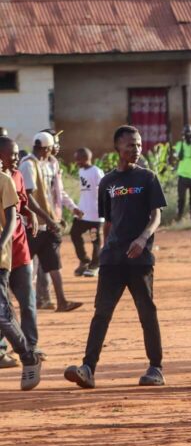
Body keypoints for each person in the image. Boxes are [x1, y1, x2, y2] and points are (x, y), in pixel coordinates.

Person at [64, 126, 166, 389]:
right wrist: (104, 251)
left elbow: (156, 216)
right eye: (131, 145)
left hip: (140, 258)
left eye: (139, 144)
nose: (136, 149)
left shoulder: (148, 178)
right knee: (102, 313)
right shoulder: (107, 182)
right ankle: (87, 368)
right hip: (112, 259)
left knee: (147, 312)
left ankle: (155, 368)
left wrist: (143, 239)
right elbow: (108, 222)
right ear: (117, 148)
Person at [20, 131, 81, 313]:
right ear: (44, 148)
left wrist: (59, 214)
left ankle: (61, 301)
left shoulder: (50, 164)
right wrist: (48, 218)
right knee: (26, 267)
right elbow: (28, 198)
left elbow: (54, 193)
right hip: (32, 225)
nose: (52, 151)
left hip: (49, 224)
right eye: (50, 148)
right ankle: (27, 305)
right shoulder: (28, 165)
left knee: (54, 264)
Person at [0, 163, 42, 391]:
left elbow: (12, 219)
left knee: (2, 315)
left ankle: (28, 356)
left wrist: (1, 245)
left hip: (1, 260)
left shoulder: (4, 180)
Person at [70, 148, 103, 278]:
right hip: (82, 213)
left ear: (86, 158)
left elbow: (104, 189)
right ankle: (84, 260)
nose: (76, 161)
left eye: (78, 159)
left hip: (95, 215)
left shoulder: (96, 171)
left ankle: (95, 266)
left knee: (95, 239)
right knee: (74, 233)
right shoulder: (81, 171)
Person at [169, 125, 191, 221]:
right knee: (181, 199)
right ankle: (179, 217)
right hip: (182, 175)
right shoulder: (179, 144)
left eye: (189, 134)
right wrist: (184, 142)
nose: (188, 136)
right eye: (186, 134)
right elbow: (179, 157)